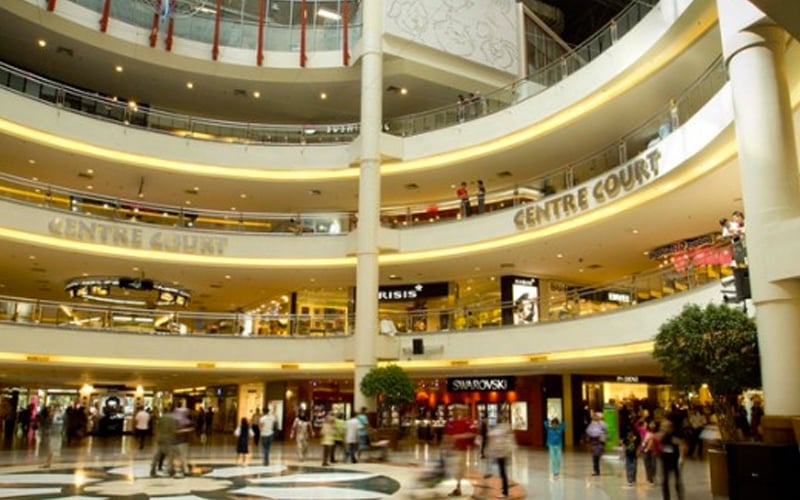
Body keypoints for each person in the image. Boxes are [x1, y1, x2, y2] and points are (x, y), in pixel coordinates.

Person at [442, 405, 476, 497]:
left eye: (458, 410)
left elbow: (471, 434)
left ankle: (458, 488)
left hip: (463, 450)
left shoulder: (468, 422)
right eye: (454, 411)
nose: (456, 412)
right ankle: (458, 487)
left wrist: (458, 437)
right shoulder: (450, 423)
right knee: (454, 470)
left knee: (460, 470)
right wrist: (445, 446)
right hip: (453, 450)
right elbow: (446, 435)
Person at [486, 416, 514, 498]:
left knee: (503, 472)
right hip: (501, 454)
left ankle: (505, 492)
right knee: (502, 472)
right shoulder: (504, 428)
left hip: (502, 454)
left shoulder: (502, 429)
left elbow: (492, 436)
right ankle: (504, 490)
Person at [659, 419, 685, 500]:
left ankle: (680, 496)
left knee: (677, 480)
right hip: (665, 461)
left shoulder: (676, 435)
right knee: (665, 481)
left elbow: (682, 445)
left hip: (675, 461)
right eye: (663, 427)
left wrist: (681, 457)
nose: (665, 428)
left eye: (667, 427)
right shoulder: (662, 435)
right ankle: (666, 497)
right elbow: (657, 439)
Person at [150, 407, 176, 477]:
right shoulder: (172, 419)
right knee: (170, 455)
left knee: (157, 455)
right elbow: (173, 430)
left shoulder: (162, 418)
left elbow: (158, 427)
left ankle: (152, 470)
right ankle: (170, 470)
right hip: (168, 439)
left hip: (160, 438)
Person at [585, 412, 608, 476]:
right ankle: (596, 470)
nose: (595, 417)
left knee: (596, 455)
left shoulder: (603, 423)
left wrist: (604, 437)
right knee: (595, 457)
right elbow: (588, 431)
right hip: (593, 441)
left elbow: (606, 431)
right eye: (594, 416)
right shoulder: (592, 423)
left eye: (596, 416)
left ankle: (596, 470)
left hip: (600, 441)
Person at [641, 421, 660, 485]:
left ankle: (652, 477)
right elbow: (643, 441)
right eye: (651, 423)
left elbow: (658, 443)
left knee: (653, 465)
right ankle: (649, 478)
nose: (652, 425)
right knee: (647, 464)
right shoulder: (644, 431)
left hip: (653, 451)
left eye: (653, 424)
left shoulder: (657, 433)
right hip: (645, 450)